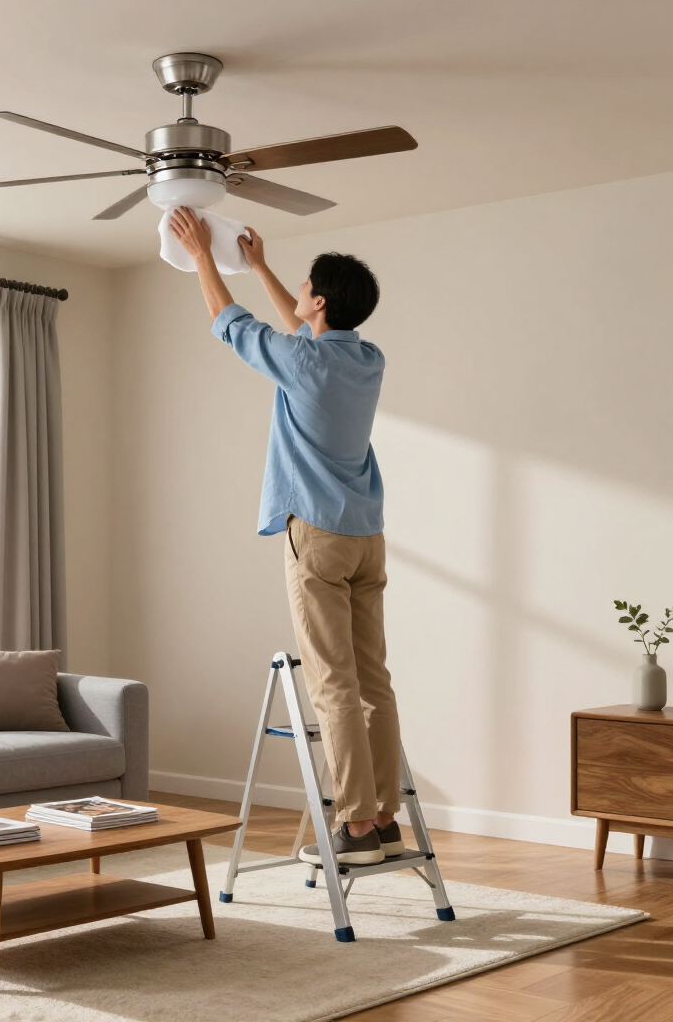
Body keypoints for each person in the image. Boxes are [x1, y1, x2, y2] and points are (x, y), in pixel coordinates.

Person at [169, 207, 404, 866]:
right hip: (367, 537)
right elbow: (305, 327)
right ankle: (386, 815)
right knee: (373, 683)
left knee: (332, 685)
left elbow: (229, 320)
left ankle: (355, 826)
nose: (296, 300)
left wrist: (202, 258)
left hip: (319, 537)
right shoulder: (369, 360)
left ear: (320, 300)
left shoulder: (300, 362)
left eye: (304, 290)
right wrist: (267, 266)